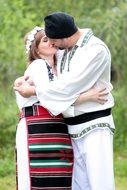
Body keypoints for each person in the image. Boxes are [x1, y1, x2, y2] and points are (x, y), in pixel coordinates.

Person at [14, 26, 108, 190]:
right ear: (35, 48)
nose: (51, 42)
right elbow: (54, 97)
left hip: (56, 127)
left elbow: (64, 91)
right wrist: (87, 97)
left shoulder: (59, 66)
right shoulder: (38, 66)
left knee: (59, 177)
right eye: (45, 40)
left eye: (52, 38)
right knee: (38, 178)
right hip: (36, 128)